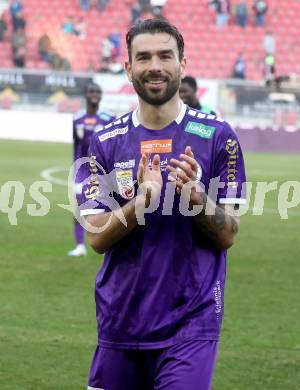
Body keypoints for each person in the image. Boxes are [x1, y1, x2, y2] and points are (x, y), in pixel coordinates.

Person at [80, 19, 246, 389]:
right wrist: (143, 201)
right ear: (128, 68)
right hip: (120, 320)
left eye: (165, 56)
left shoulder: (219, 137)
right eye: (144, 57)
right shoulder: (106, 141)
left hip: (191, 321)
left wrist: (198, 199)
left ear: (182, 64)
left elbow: (229, 234)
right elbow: (96, 238)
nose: (154, 65)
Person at [68, 82, 115, 257]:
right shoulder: (76, 118)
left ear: (101, 96)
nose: (94, 94)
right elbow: (76, 144)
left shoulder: (108, 118)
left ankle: (108, 243)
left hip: (102, 170)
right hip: (82, 171)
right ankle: (80, 246)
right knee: (79, 207)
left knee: (107, 207)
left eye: (97, 92)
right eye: (91, 91)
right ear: (86, 95)